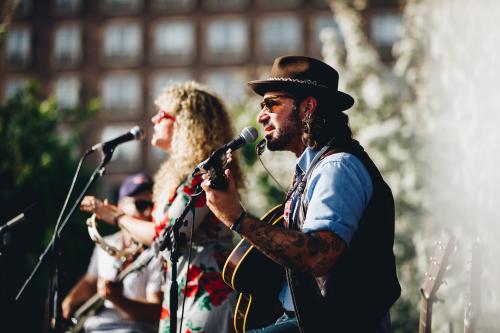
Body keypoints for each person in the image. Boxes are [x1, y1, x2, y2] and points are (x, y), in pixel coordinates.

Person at [201, 56, 401, 332]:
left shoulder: (336, 168)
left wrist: (238, 219)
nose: (261, 116)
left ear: (307, 107)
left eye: (272, 104)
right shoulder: (314, 169)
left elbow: (319, 255)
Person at [80, 81, 242, 333]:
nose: (154, 119)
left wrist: (115, 215)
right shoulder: (184, 175)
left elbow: (165, 235)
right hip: (179, 291)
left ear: (187, 123)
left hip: (204, 294)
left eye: (163, 114)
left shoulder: (206, 175)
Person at [62, 172, 163, 333]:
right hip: (96, 327)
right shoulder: (107, 243)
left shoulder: (158, 252)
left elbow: (155, 313)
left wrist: (118, 300)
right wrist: (69, 302)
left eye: (153, 205)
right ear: (120, 206)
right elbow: (90, 281)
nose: (148, 212)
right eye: (141, 205)